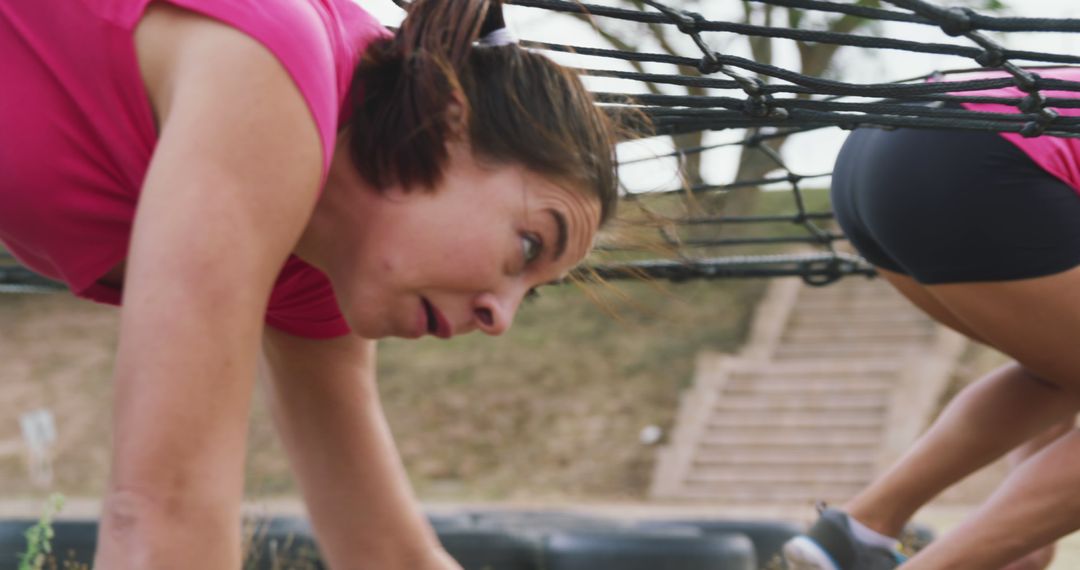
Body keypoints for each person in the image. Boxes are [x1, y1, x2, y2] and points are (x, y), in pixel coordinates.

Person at [0, 0, 627, 567]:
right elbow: (164, 522)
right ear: (451, 119)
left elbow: (385, 553)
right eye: (528, 246)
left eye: (532, 290)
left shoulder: (315, 267)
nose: (501, 319)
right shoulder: (275, 80)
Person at [781, 67, 1080, 570]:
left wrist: (1029, 543)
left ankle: (858, 530)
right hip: (985, 156)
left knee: (1059, 373)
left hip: (884, 144)